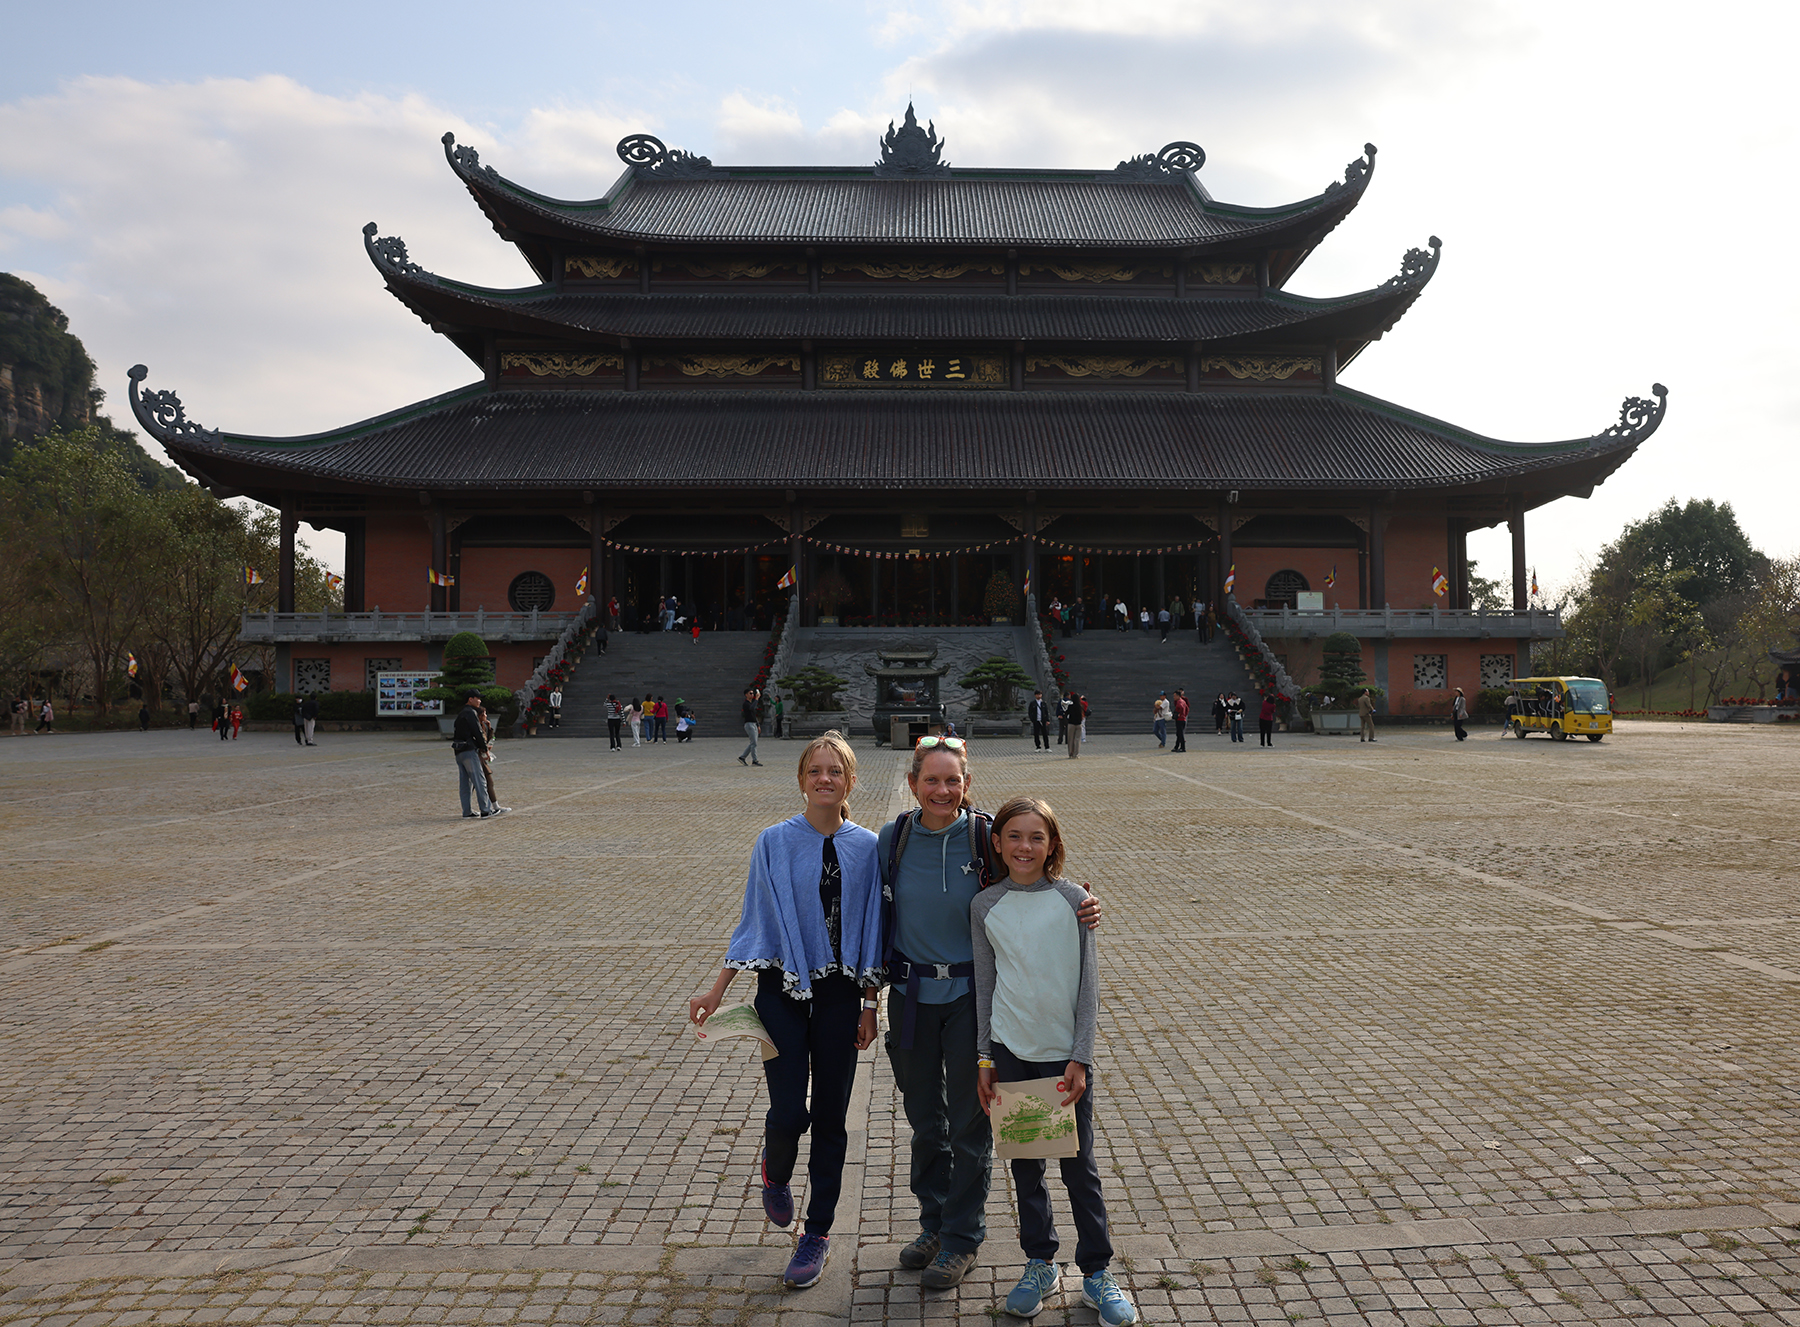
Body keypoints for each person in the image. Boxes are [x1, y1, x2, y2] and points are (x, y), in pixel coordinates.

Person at [878, 736, 1103, 1292]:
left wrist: (1081, 902)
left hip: (969, 998)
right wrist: (866, 997)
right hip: (909, 996)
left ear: (967, 784)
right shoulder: (892, 839)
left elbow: (1035, 877)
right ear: (912, 783)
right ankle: (933, 1224)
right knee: (925, 1122)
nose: (942, 789)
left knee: (971, 1123)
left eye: (952, 780)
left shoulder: (983, 836)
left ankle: (961, 1238)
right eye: (931, 779)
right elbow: (871, 914)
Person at [689, 732, 883, 1291]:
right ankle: (775, 1174)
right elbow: (755, 921)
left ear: (850, 781)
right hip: (781, 992)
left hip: (841, 995)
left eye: (835, 771)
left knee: (831, 1116)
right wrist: (717, 991)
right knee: (789, 1111)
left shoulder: (869, 847)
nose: (825, 779)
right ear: (801, 779)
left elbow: (875, 927)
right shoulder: (773, 841)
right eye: (815, 770)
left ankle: (816, 1233)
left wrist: (871, 1004)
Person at [974, 797, 1135, 1326]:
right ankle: (1040, 1264)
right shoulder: (985, 905)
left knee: (1079, 1169)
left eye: (1036, 837)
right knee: (1026, 1167)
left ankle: (1097, 1272)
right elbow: (985, 985)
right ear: (997, 843)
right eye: (1014, 836)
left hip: (1064, 1060)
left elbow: (1089, 986)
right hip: (1010, 1053)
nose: (1025, 846)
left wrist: (1081, 1058)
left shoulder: (1074, 901)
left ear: (1052, 844)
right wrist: (985, 1058)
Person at [452, 689, 507, 818]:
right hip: (469, 750)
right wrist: (485, 749)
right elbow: (477, 731)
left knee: (465, 783)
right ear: (470, 699)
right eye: (477, 698)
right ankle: (486, 810)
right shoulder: (471, 713)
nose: (479, 701)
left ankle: (467, 811)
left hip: (459, 750)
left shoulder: (461, 713)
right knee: (479, 780)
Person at [477, 699, 500, 805]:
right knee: (486, 782)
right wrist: (485, 750)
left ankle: (494, 806)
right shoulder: (477, 727)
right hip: (478, 758)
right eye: (484, 714)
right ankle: (493, 806)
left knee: (486, 782)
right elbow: (480, 741)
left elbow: (489, 739)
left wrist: (490, 728)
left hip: (482, 757)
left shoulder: (483, 726)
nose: (486, 716)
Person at [739, 689, 764, 766]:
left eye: (753, 693)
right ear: (746, 695)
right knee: (754, 743)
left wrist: (758, 725)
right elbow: (752, 708)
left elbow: (754, 715)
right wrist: (757, 699)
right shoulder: (746, 704)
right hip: (749, 724)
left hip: (754, 724)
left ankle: (742, 757)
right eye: (750, 693)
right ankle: (754, 760)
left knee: (753, 743)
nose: (752, 694)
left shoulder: (751, 703)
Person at [1061, 694, 1082, 759]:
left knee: (1070, 739)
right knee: (1077, 739)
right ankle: (1076, 754)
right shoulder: (1080, 706)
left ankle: (1070, 753)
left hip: (1071, 724)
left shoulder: (1070, 706)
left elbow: (1066, 713)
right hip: (1078, 724)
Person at [1171, 688, 1189, 753]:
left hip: (1180, 719)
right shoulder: (1183, 701)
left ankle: (1183, 748)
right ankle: (1176, 747)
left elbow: (1180, 707)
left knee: (1180, 734)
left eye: (1175, 696)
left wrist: (1179, 714)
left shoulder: (1179, 702)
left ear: (1178, 696)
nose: (1174, 697)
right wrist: (1184, 715)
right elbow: (1187, 709)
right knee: (1179, 733)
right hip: (1183, 719)